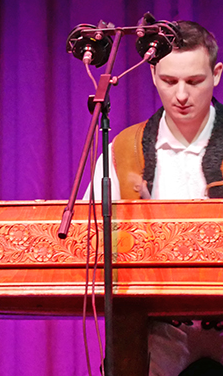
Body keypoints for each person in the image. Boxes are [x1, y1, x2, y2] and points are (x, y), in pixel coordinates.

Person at [86, 20, 223, 376]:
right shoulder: (124, 151)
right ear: (152, 74)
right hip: (157, 329)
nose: (181, 95)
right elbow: (90, 240)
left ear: (217, 74)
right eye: (169, 81)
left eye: (194, 82)